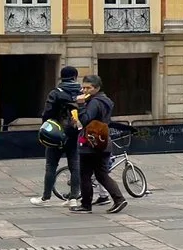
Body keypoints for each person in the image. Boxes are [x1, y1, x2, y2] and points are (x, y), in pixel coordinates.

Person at [70, 77, 128, 214]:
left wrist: (81, 105)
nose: (84, 90)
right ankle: (119, 199)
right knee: (101, 174)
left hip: (90, 144)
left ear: (96, 88)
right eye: (83, 88)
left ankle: (86, 205)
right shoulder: (106, 100)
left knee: (85, 174)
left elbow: (85, 120)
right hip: (103, 141)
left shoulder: (94, 102)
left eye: (88, 88)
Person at [37, 67, 81, 202]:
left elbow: (47, 113)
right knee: (75, 165)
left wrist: (46, 126)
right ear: (75, 77)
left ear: (61, 77)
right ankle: (74, 197)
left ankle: (46, 197)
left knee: (51, 165)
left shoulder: (55, 93)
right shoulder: (81, 93)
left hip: (56, 134)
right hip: (74, 133)